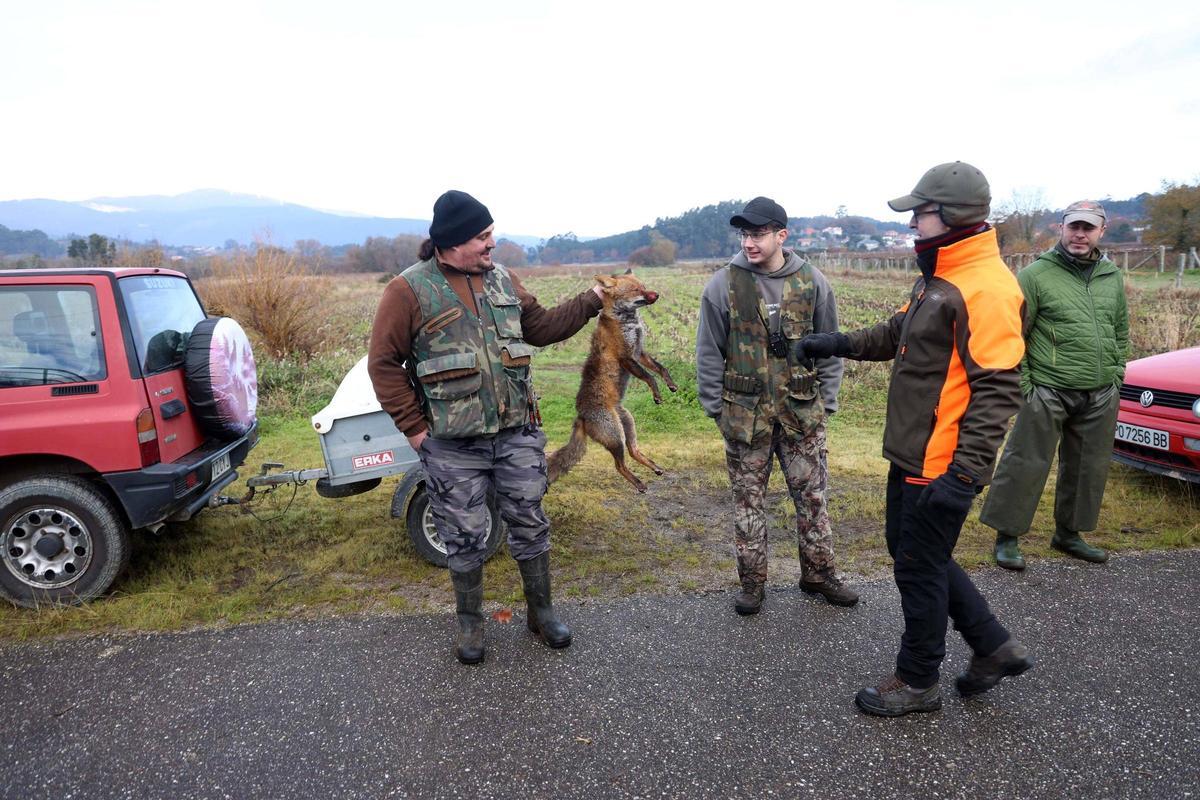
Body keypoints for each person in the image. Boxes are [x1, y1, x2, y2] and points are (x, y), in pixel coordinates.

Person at [800, 163, 1033, 717]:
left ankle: (918, 678)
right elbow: (895, 333)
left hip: (941, 460)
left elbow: (998, 391)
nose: (912, 225)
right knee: (918, 554)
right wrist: (834, 342)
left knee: (917, 565)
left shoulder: (988, 289)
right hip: (912, 449)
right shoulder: (939, 275)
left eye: (919, 214)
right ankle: (993, 646)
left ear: (950, 216)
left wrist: (965, 475)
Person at [368, 190, 603, 665]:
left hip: (516, 433)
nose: (492, 243)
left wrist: (592, 301)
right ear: (452, 242)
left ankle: (541, 613)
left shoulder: (502, 280)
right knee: (463, 534)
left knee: (530, 523)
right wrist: (416, 432)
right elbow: (384, 365)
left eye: (491, 233)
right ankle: (471, 625)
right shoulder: (407, 290)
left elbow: (542, 327)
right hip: (452, 445)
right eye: (483, 236)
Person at [696, 196, 859, 617]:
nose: (749, 242)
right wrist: (716, 408)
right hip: (744, 417)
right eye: (744, 234)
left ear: (781, 235)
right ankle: (752, 583)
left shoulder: (813, 281)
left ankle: (819, 574)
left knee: (814, 498)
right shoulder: (723, 284)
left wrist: (829, 402)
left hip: (802, 413)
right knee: (748, 501)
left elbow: (832, 347)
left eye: (758, 234)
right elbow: (709, 352)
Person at [981, 200, 1128, 569]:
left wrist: (1117, 373)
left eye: (1088, 228)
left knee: (1087, 466)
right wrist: (1029, 384)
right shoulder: (1036, 275)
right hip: (1048, 387)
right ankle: (1007, 537)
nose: (1080, 234)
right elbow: (1015, 335)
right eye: (1074, 226)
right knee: (1026, 461)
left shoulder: (1112, 276)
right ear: (1061, 228)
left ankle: (1069, 534)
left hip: (1099, 390)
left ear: (1101, 232)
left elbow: (1120, 329)